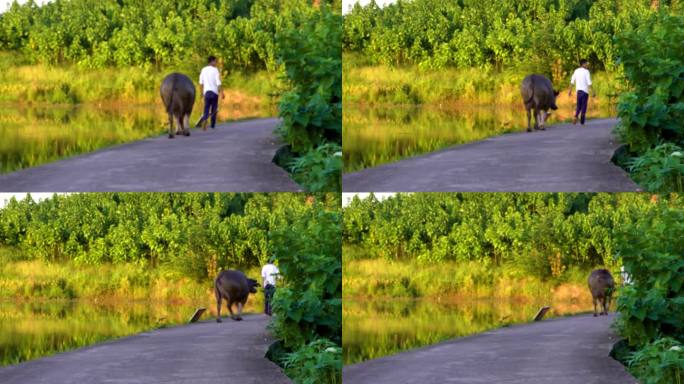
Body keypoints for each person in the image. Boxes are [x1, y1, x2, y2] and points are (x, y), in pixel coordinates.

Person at [195, 55, 224, 130]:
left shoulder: (203, 70)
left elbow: (201, 82)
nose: (216, 63)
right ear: (212, 61)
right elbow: (218, 82)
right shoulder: (215, 70)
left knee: (206, 108)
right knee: (214, 109)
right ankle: (212, 124)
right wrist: (222, 93)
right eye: (215, 61)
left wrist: (201, 93)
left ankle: (205, 119)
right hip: (214, 92)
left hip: (206, 92)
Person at [568, 59, 594, 126]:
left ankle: (575, 116)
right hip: (585, 92)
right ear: (583, 64)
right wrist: (593, 91)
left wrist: (569, 90)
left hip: (578, 91)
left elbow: (572, 81)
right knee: (584, 106)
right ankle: (582, 123)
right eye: (586, 63)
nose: (587, 65)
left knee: (579, 106)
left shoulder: (576, 71)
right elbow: (589, 82)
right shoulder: (586, 71)